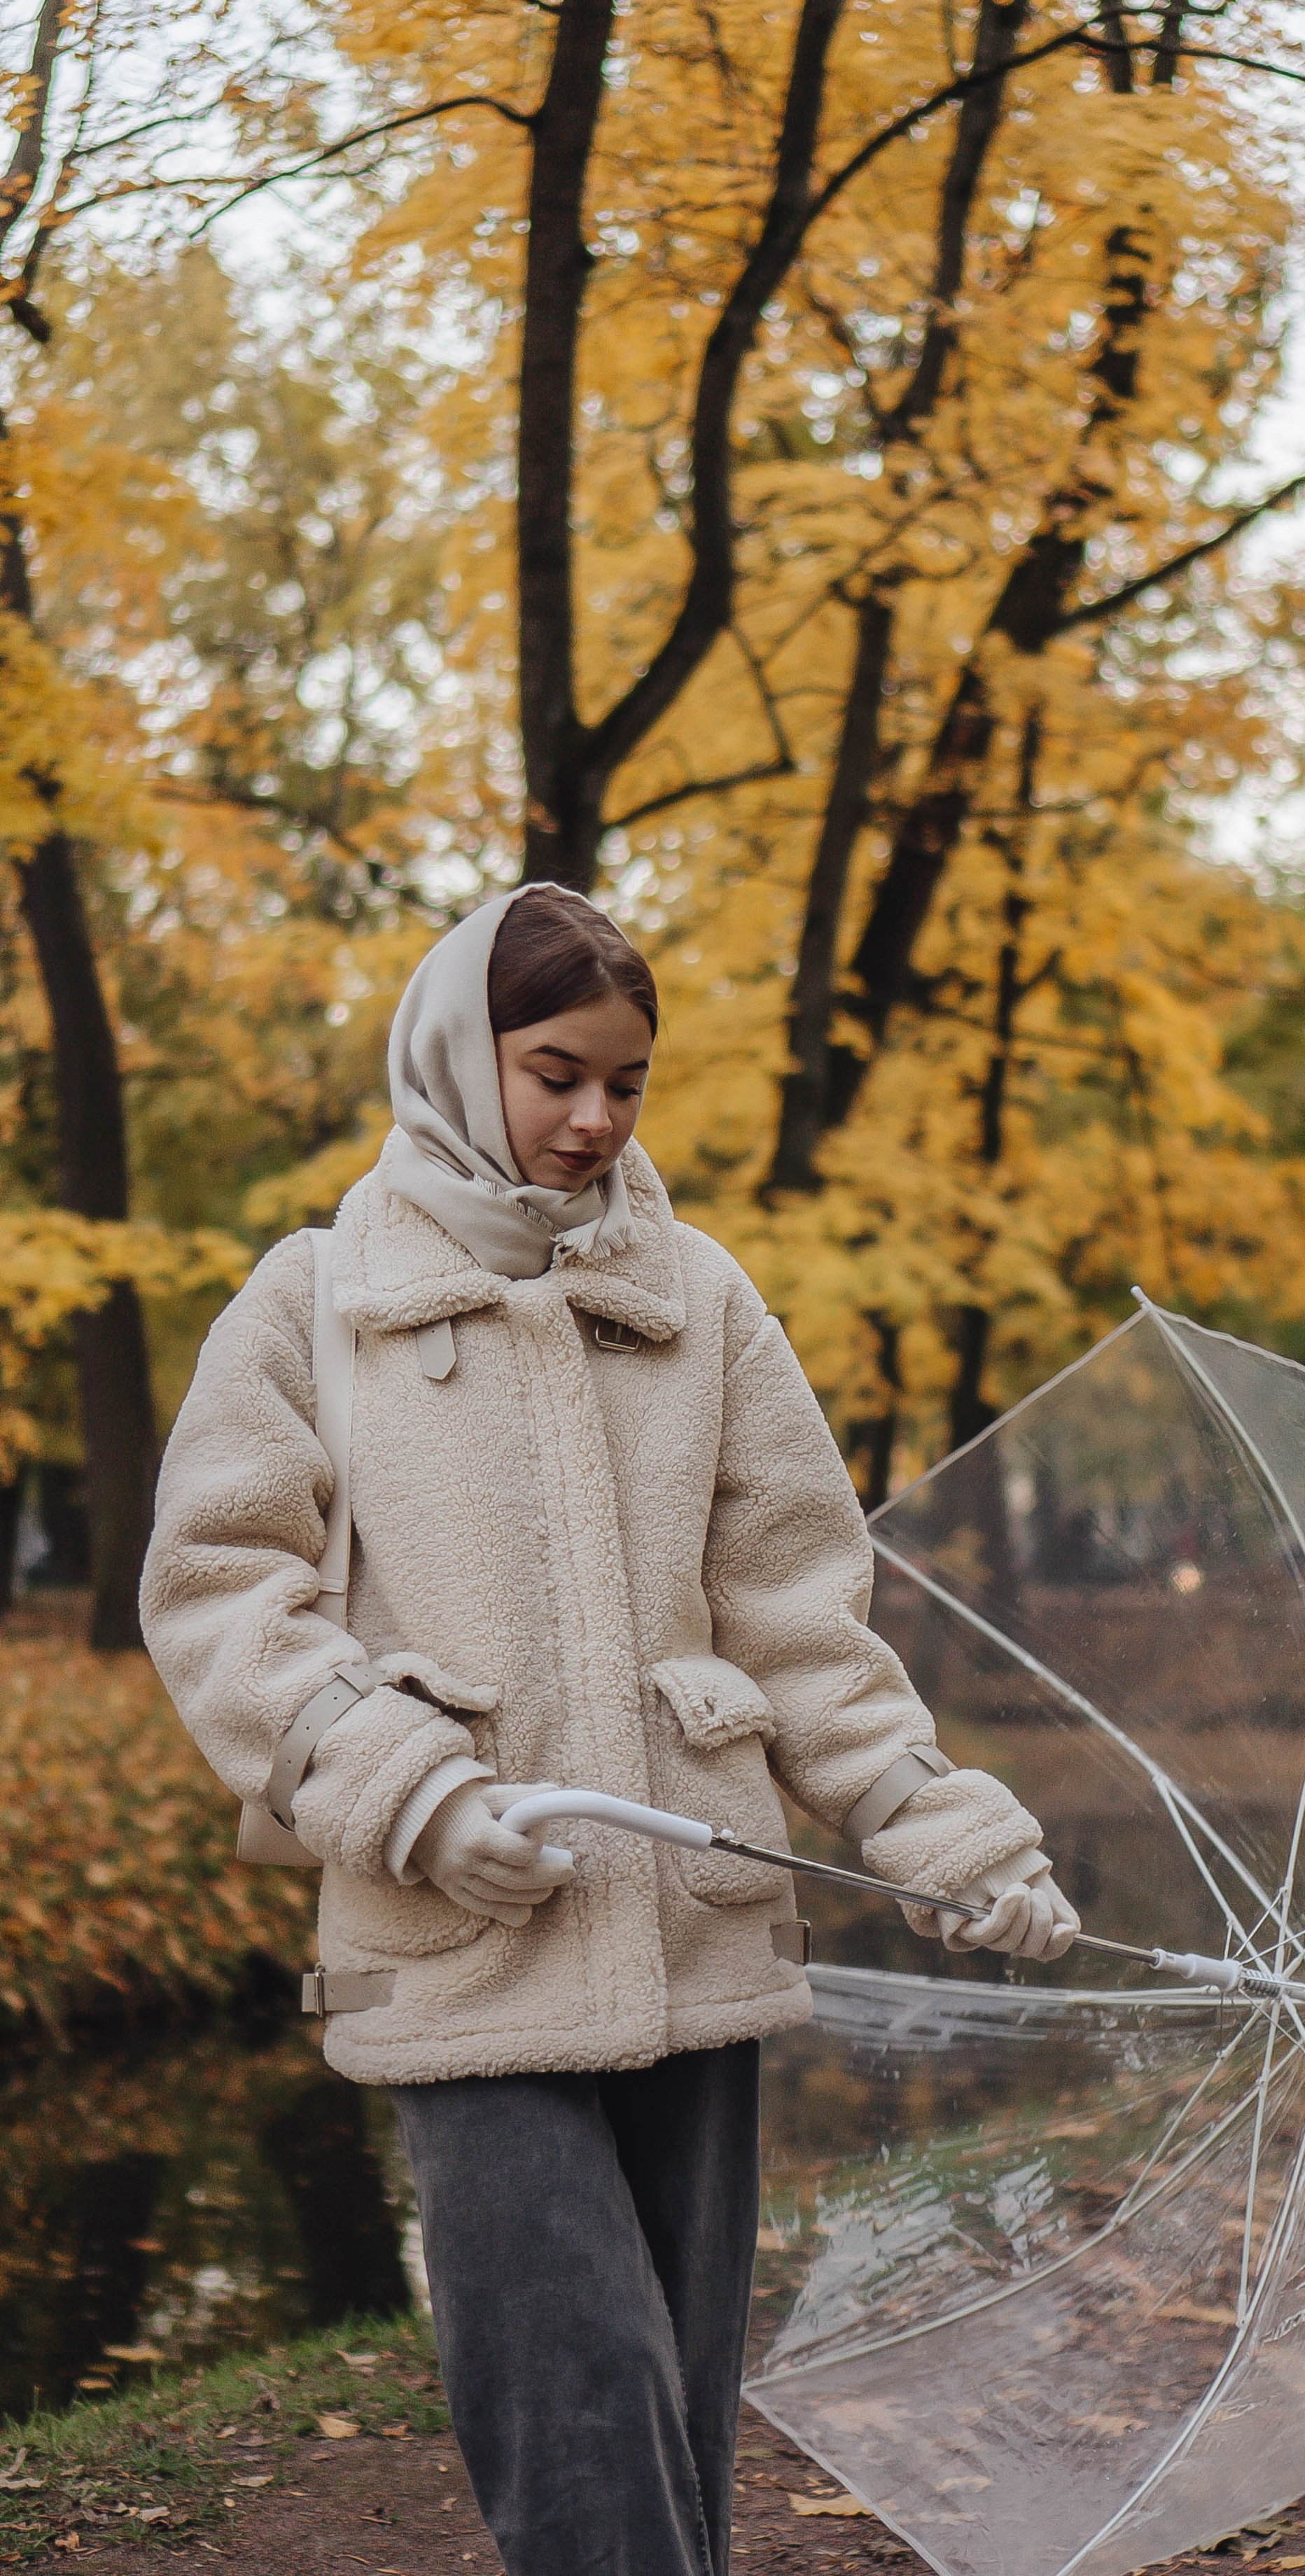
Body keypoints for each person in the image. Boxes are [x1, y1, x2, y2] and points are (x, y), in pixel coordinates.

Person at [141, 886, 1077, 2576]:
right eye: (554, 1071)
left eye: (625, 1084)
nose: (592, 1118)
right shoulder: (311, 1300)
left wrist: (949, 1844)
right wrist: (410, 1797)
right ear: (454, 1055)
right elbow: (218, 1596)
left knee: (674, 2411)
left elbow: (799, 1623)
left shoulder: (700, 1296)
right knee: (578, 2389)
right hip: (457, 1941)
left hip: (696, 1939)